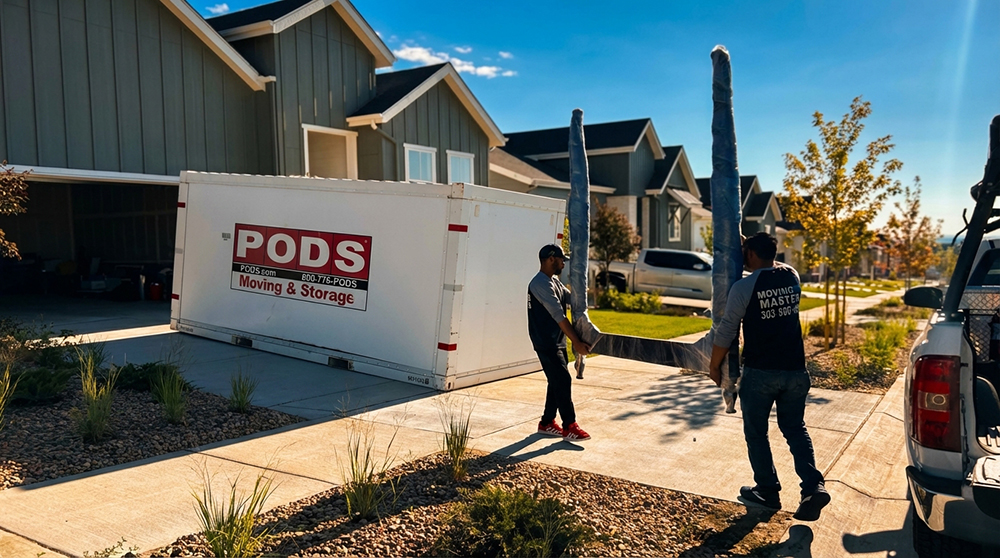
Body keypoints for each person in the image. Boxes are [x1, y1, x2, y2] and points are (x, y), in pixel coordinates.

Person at [709, 232, 830, 521]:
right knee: (795, 429)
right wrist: (749, 240)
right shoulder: (792, 277)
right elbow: (773, 264)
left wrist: (714, 367)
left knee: (756, 432)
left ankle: (767, 489)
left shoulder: (744, 288)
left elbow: (727, 331)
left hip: (761, 373)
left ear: (749, 253)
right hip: (796, 372)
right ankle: (813, 487)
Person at [527, 244, 592, 441]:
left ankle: (546, 423)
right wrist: (578, 343)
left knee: (555, 381)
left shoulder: (553, 282)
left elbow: (571, 298)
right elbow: (559, 316)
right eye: (561, 259)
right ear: (550, 259)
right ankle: (569, 426)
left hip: (556, 341)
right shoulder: (539, 284)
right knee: (563, 380)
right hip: (546, 341)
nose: (564, 263)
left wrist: (581, 289)